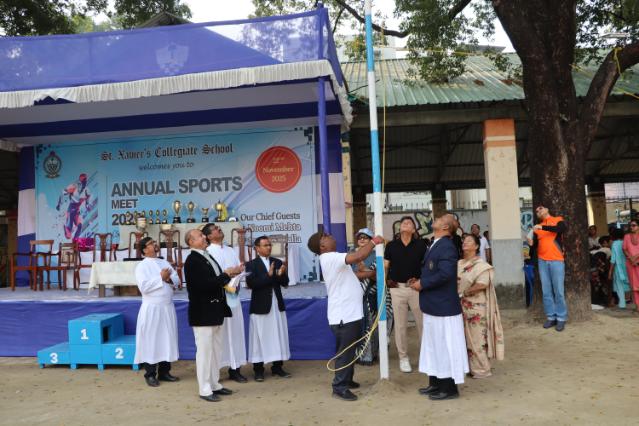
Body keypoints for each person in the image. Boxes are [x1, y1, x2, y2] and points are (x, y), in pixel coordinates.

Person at [307, 229, 384, 401]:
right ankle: (339, 387)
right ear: (322, 246)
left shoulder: (333, 259)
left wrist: (370, 274)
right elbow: (358, 256)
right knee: (345, 351)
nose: (331, 236)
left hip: (350, 314)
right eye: (326, 236)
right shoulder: (329, 257)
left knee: (350, 349)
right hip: (344, 315)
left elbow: (352, 274)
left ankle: (347, 380)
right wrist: (374, 241)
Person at [410, 213, 468, 400]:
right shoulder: (435, 243)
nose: (436, 219)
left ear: (445, 227)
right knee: (433, 346)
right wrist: (420, 280)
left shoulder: (447, 246)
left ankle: (449, 388)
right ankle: (435, 383)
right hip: (434, 305)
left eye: (441, 219)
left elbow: (446, 274)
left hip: (444, 307)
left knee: (445, 347)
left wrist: (423, 284)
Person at [184, 229, 242, 402]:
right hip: (203, 312)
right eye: (200, 236)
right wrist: (226, 274)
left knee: (216, 350)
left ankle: (215, 383)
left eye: (203, 235)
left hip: (215, 309)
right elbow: (203, 285)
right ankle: (204, 389)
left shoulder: (207, 256)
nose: (204, 237)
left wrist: (230, 275)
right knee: (204, 352)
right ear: (191, 242)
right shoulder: (192, 260)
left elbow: (215, 280)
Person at [202, 223, 247, 383]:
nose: (219, 229)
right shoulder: (207, 253)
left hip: (232, 294)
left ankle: (235, 369)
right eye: (215, 228)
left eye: (219, 227)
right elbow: (211, 277)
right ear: (208, 236)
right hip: (218, 297)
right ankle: (215, 371)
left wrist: (238, 274)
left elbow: (237, 269)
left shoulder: (230, 250)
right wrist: (228, 275)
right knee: (219, 334)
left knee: (235, 331)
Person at [133, 237, 180, 387]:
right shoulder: (142, 266)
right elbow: (144, 287)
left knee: (167, 339)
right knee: (151, 340)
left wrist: (168, 279)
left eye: (155, 242)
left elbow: (177, 280)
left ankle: (165, 372)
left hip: (167, 307)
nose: (155, 244)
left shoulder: (164, 262)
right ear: (144, 250)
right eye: (151, 244)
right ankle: (150, 374)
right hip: (152, 308)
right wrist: (161, 278)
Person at [383, 216, 428, 373]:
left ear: (414, 229)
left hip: (416, 289)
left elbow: (427, 266)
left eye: (409, 222)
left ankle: (426, 356)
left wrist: (421, 281)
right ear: (399, 228)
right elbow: (386, 266)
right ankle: (403, 357)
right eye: (403, 222)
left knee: (422, 323)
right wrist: (386, 281)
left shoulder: (421, 245)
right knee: (400, 325)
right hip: (397, 289)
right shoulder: (391, 246)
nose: (406, 223)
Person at [457, 234, 504, 379]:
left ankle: (482, 370)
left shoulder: (482, 266)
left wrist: (465, 292)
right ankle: (468, 367)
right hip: (460, 306)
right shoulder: (458, 263)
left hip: (476, 307)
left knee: (477, 339)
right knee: (464, 338)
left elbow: (482, 284)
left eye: (469, 241)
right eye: (464, 240)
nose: (465, 242)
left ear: (477, 246)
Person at [245, 236, 291, 381]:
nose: (269, 247)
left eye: (270, 245)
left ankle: (277, 367)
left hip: (276, 305)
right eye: (265, 245)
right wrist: (269, 275)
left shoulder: (277, 262)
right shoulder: (251, 265)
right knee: (259, 338)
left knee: (278, 335)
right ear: (257, 248)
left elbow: (285, 283)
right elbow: (252, 284)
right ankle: (258, 370)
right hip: (260, 306)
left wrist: (281, 275)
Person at [351, 228, 393, 365]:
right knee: (361, 327)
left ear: (371, 240)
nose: (362, 239)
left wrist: (365, 271)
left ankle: (372, 355)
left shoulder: (378, 255)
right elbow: (351, 275)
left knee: (374, 327)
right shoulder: (352, 255)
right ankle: (362, 356)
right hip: (356, 295)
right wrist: (368, 273)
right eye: (360, 237)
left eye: (365, 237)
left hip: (374, 295)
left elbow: (380, 277)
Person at [527, 205, 568, 331]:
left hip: (557, 260)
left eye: (540, 208)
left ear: (547, 209)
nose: (538, 211)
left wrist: (542, 227)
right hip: (542, 261)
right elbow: (535, 247)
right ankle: (551, 317)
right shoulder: (537, 228)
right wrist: (531, 244)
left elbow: (561, 229)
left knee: (559, 291)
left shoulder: (557, 220)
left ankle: (561, 318)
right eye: (537, 211)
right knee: (546, 291)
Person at [56, 173, 90, 239]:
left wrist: (87, 205)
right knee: (69, 233)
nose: (84, 182)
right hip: (71, 209)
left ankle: (75, 241)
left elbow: (87, 198)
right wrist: (59, 204)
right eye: (83, 180)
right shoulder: (74, 188)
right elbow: (63, 193)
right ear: (80, 181)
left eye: (85, 180)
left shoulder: (87, 190)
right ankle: (67, 229)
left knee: (80, 226)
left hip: (77, 210)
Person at [609, 228, 630, 308]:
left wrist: (610, 271)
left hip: (618, 267)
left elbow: (613, 259)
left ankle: (622, 303)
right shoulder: (625, 242)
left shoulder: (614, 244)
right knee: (628, 283)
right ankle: (629, 299)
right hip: (627, 265)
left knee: (619, 285)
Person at [622, 219, 639, 311]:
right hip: (630, 264)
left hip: (636, 262)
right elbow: (624, 249)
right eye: (630, 225)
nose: (631, 227)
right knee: (634, 285)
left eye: (634, 225)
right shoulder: (627, 236)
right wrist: (631, 258)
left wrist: (635, 257)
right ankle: (637, 306)